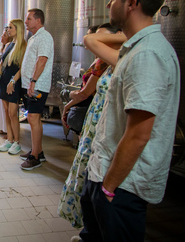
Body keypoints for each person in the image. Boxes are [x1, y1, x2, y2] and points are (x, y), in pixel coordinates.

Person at [77, 0, 179, 242]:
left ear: (132, 3)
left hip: (122, 186)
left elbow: (138, 133)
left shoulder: (148, 55)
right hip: (104, 173)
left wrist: (108, 187)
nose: (109, 5)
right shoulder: (136, 48)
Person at [58, 24, 124, 229]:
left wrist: (69, 102)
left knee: (100, 182)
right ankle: (87, 226)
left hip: (109, 128)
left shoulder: (123, 62)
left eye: (106, 39)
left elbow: (86, 92)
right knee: (86, 176)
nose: (99, 43)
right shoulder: (103, 63)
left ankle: (94, 228)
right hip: (94, 123)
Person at [61, 24, 120, 134]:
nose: (98, 41)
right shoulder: (100, 61)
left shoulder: (107, 61)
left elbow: (84, 94)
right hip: (95, 110)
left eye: (102, 37)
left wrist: (71, 97)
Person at [19, 8, 54, 170]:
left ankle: (35, 158)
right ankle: (37, 151)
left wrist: (33, 81)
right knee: (34, 118)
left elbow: (42, 60)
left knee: (33, 118)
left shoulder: (45, 37)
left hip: (38, 85)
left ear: (38, 20)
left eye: (29, 19)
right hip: (31, 84)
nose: (26, 22)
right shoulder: (34, 37)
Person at [0, 19, 27, 155]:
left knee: (13, 113)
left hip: (14, 83)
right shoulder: (9, 45)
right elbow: (2, 64)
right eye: (8, 27)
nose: (8, 29)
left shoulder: (24, 45)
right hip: (4, 81)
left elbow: (22, 68)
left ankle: (17, 142)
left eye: (10, 27)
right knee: (6, 111)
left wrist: (12, 82)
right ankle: (10, 140)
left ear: (18, 29)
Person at [0, 28, 13, 135]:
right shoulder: (0, 48)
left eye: (5, 35)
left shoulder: (10, 47)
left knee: (5, 106)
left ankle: (7, 130)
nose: (2, 37)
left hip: (4, 78)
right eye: (2, 34)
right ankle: (0, 127)